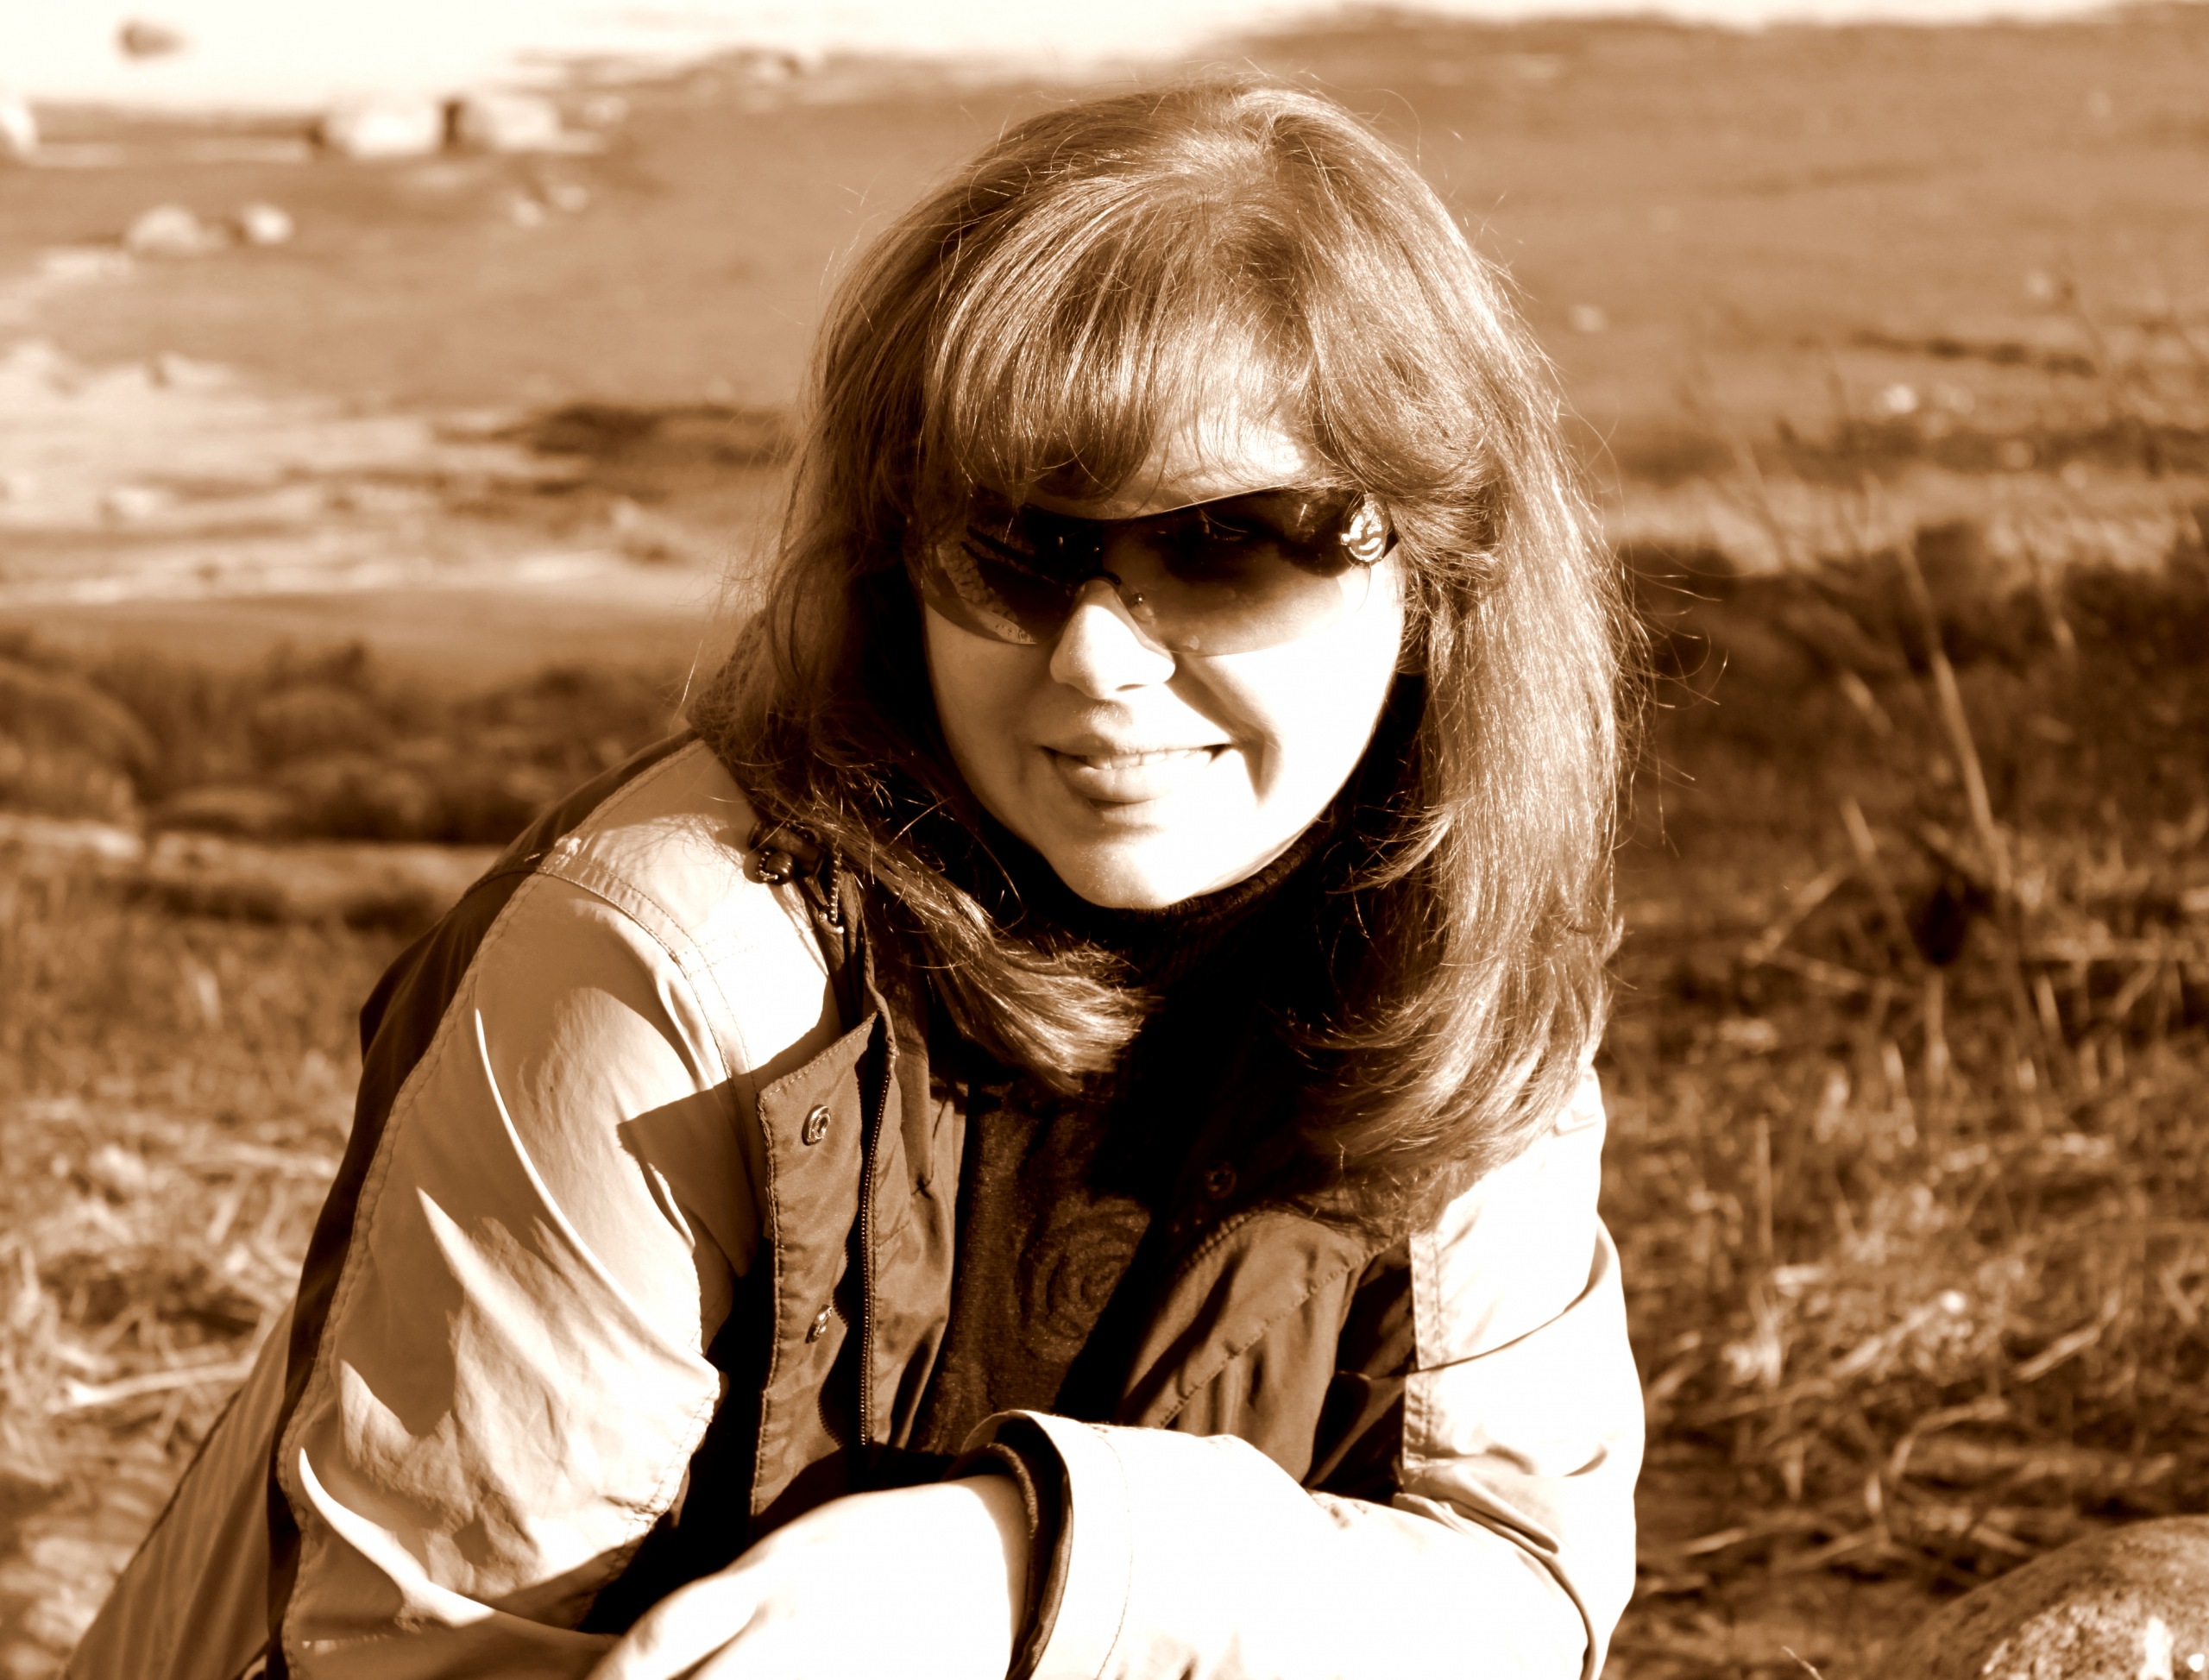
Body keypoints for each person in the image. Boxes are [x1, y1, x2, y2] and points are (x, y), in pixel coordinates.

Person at [72, 77, 1641, 1680]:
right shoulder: (666, 964)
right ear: (897, 565)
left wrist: (1029, 1563)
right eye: (1015, 545)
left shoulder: (1445, 952)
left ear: (1439, 577)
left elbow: (1519, 1595)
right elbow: (416, 1661)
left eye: (1226, 542)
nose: (1097, 659)